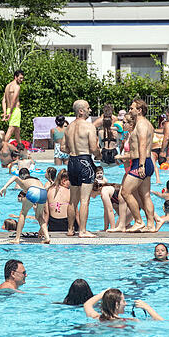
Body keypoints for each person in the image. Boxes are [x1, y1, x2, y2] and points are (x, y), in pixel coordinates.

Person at [117, 99, 162, 233]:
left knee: (125, 192)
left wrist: (141, 165)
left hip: (141, 163)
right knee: (145, 195)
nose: (130, 110)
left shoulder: (141, 124)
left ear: (139, 110)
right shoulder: (146, 124)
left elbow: (142, 145)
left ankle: (138, 221)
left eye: (132, 108)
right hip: (146, 161)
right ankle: (150, 224)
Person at [64, 99, 101, 237]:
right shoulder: (89, 126)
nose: (90, 110)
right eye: (88, 108)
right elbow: (93, 148)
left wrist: (74, 149)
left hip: (72, 162)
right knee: (85, 200)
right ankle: (83, 231)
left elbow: (63, 147)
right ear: (81, 111)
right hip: (85, 161)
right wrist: (99, 155)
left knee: (73, 200)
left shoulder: (68, 128)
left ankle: (70, 230)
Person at [0, 170, 49, 243]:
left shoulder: (24, 182)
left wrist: (5, 187)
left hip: (34, 191)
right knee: (39, 216)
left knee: (23, 213)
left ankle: (17, 238)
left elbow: (15, 177)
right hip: (43, 192)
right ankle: (47, 237)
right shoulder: (37, 180)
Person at [1, 70, 24, 155]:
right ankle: (2, 149)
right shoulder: (17, 87)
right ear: (15, 77)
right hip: (15, 110)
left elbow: (4, 100)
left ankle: (20, 148)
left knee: (17, 131)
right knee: (10, 130)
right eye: (20, 78)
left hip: (9, 109)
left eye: (22, 78)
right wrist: (10, 112)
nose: (21, 80)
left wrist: (5, 112)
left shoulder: (7, 86)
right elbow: (14, 100)